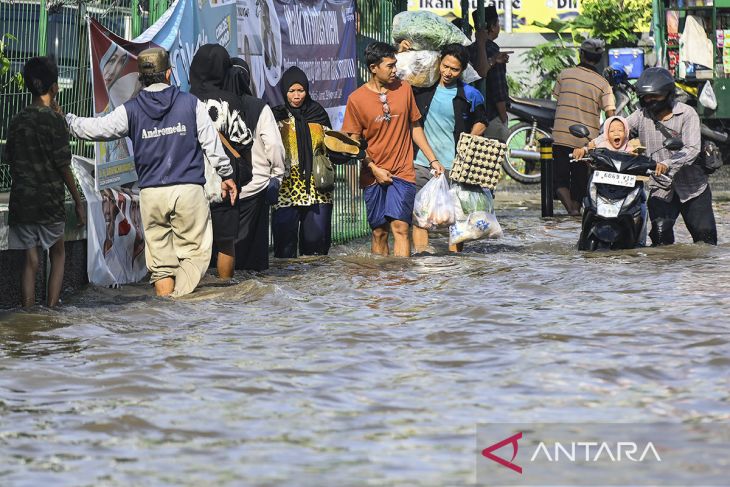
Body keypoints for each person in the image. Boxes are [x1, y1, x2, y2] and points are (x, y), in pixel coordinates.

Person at [66, 47, 238, 297]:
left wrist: (68, 121)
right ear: (169, 74)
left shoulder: (131, 109)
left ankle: (165, 323)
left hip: (151, 195)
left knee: (160, 266)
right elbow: (212, 145)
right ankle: (183, 311)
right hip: (188, 191)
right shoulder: (192, 104)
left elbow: (97, 128)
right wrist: (227, 175)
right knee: (194, 255)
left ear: (141, 78)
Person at [342, 41, 445, 258]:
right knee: (379, 231)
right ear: (373, 68)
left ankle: (401, 284)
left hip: (403, 171)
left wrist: (433, 160)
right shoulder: (356, 100)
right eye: (389, 66)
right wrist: (374, 168)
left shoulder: (404, 89)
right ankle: (380, 284)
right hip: (373, 173)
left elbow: (415, 126)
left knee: (401, 227)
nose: (394, 70)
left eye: (395, 64)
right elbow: (354, 143)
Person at [4, 56, 85, 308]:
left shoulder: (16, 122)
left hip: (23, 203)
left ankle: (29, 313)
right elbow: (63, 165)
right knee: (57, 254)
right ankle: (50, 310)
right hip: (50, 204)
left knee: (31, 261)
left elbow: (10, 159)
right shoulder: (56, 121)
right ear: (54, 87)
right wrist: (79, 201)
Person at [190, 45, 262, 279]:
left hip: (191, 179)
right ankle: (224, 291)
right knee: (225, 243)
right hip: (226, 181)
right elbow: (243, 140)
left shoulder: (186, 100)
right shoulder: (230, 100)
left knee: (190, 242)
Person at [410, 43, 488, 253]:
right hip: (422, 163)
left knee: (457, 218)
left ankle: (455, 265)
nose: (447, 72)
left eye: (454, 69)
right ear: (439, 62)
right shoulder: (422, 89)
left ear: (462, 70)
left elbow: (482, 121)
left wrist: (468, 140)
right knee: (420, 216)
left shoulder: (469, 94)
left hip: (455, 166)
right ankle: (422, 259)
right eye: (445, 66)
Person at [626, 67, 716, 246]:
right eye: (646, 96)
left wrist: (667, 164)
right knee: (659, 237)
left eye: (655, 96)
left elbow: (691, 149)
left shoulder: (687, 113)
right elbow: (618, 130)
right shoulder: (640, 115)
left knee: (706, 241)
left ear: (668, 94)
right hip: (660, 187)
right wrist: (591, 145)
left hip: (693, 188)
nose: (649, 100)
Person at [222, 56, 286, 271]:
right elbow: (274, 146)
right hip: (255, 187)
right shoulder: (259, 107)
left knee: (224, 247)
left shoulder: (213, 106)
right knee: (254, 255)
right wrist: (277, 175)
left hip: (222, 188)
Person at [271, 66, 334, 258]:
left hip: (317, 190)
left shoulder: (318, 113)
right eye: (292, 91)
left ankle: (314, 288)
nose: (297, 96)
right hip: (286, 190)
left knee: (316, 252)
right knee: (284, 252)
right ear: (284, 92)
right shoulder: (275, 116)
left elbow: (331, 145)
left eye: (301, 90)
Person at [551, 38, 616, 215]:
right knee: (580, 181)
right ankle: (575, 210)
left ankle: (572, 211)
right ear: (600, 58)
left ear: (581, 54)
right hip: (586, 142)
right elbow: (611, 117)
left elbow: (556, 97)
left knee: (559, 180)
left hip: (561, 136)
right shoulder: (603, 84)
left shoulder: (564, 75)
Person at [469, 5, 510, 142]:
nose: (498, 27)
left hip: (472, 114)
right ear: (492, 27)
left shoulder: (469, 49)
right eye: (497, 24)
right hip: (492, 116)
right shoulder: (493, 50)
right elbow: (498, 89)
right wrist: (503, 117)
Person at [572, 116, 640, 157]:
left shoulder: (628, 148)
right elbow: (590, 149)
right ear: (606, 134)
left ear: (626, 133)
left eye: (620, 130)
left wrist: (633, 155)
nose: (616, 133)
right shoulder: (601, 146)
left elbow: (633, 155)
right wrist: (583, 150)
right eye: (612, 131)